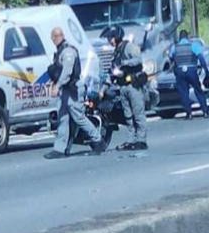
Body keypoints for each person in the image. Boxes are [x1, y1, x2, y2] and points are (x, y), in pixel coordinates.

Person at [45, 28, 105, 159]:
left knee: (79, 117)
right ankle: (60, 149)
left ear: (58, 36)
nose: (53, 40)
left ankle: (98, 140)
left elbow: (67, 73)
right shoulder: (60, 51)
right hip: (66, 89)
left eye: (54, 37)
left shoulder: (68, 52)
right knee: (63, 118)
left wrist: (57, 86)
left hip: (73, 89)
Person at [102, 26, 149, 151]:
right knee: (128, 116)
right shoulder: (116, 52)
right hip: (122, 86)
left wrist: (124, 64)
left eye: (111, 38)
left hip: (133, 85)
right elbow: (111, 73)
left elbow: (139, 60)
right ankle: (131, 139)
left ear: (116, 37)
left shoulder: (129, 47)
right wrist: (103, 89)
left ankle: (141, 140)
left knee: (138, 114)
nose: (109, 41)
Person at [169, 30, 209, 119]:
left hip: (180, 71)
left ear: (179, 37)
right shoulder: (193, 45)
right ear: (187, 37)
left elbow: (171, 59)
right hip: (192, 70)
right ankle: (205, 112)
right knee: (198, 90)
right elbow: (201, 58)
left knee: (184, 93)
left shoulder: (174, 47)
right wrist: (206, 71)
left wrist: (174, 70)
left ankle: (189, 113)